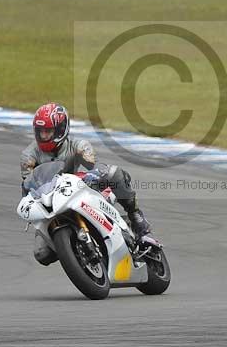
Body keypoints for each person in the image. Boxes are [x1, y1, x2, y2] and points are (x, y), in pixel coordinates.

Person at [21, 102, 152, 265]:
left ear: (61, 130)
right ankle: (74, 250)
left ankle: (135, 215)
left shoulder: (78, 145)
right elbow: (28, 185)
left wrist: (93, 175)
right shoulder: (29, 156)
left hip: (78, 186)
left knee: (114, 174)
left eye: (48, 131)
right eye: (40, 132)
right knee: (42, 254)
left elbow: (94, 165)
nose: (43, 136)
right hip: (51, 200)